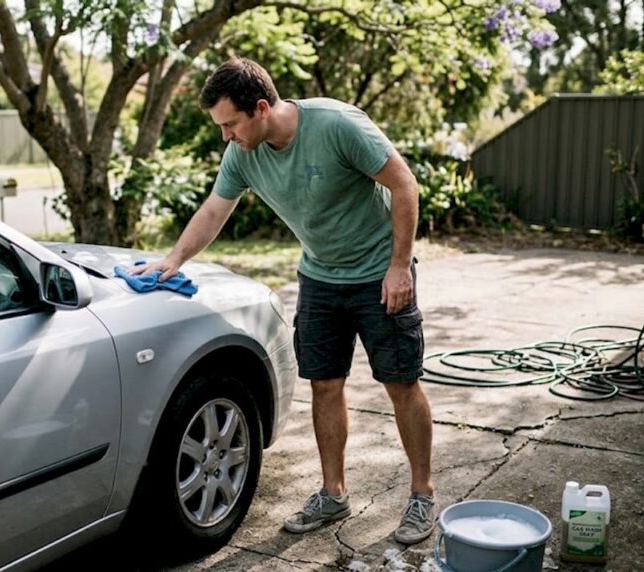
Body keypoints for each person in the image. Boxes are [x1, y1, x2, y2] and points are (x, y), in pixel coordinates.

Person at [131, 57, 436, 544]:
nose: (225, 136)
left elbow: (404, 184)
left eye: (230, 124)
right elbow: (215, 208)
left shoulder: (336, 125)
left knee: (400, 384)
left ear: (261, 108)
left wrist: (400, 266)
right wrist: (174, 261)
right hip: (320, 277)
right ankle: (333, 494)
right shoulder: (243, 153)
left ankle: (422, 494)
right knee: (324, 385)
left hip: (379, 273)